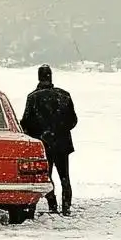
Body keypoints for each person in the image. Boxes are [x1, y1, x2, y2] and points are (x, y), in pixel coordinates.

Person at [21, 64, 78, 214]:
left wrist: (38, 133)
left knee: (46, 176)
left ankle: (52, 204)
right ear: (51, 76)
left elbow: (26, 122)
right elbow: (73, 120)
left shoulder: (33, 97)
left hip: (43, 143)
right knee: (64, 176)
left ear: (39, 77)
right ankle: (66, 207)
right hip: (62, 142)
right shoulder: (64, 95)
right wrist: (60, 130)